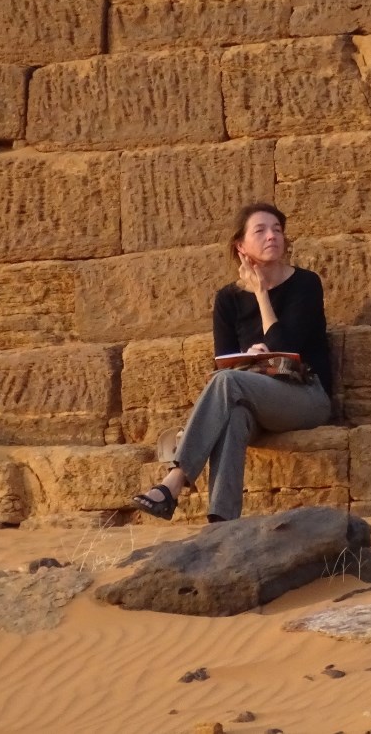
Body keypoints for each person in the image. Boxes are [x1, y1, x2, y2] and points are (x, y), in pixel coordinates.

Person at [131, 202, 333, 522]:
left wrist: (261, 294)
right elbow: (222, 364)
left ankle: (174, 480)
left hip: (306, 396)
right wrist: (249, 361)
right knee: (234, 414)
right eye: (261, 230)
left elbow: (285, 349)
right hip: (253, 398)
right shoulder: (227, 298)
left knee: (228, 384)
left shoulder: (306, 284)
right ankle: (221, 524)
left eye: (277, 230)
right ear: (240, 245)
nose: (272, 236)